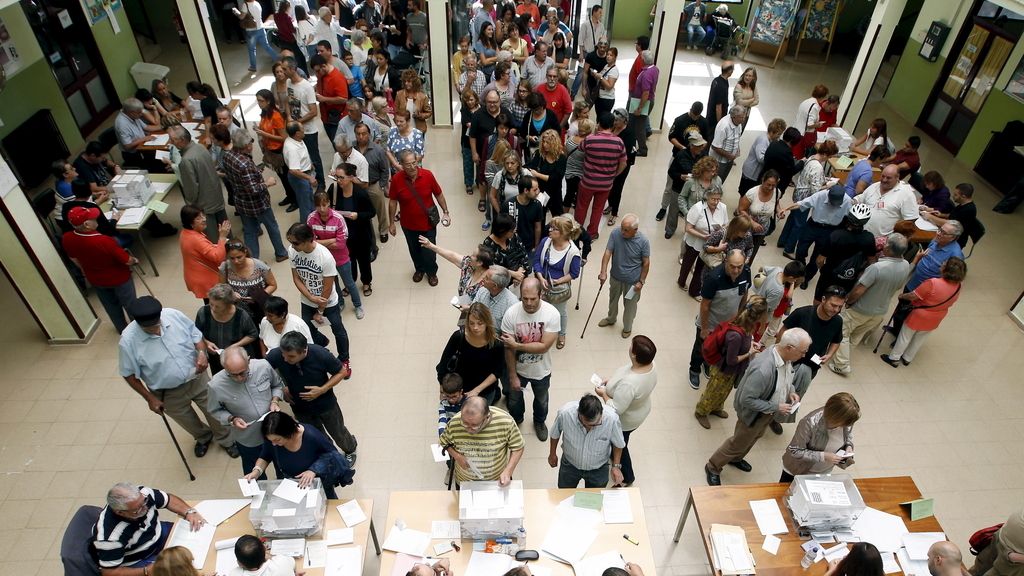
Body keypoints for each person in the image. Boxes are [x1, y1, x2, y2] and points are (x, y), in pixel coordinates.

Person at [119, 296, 233, 457]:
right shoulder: (128, 341)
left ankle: (226, 440)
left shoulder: (173, 315)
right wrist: (150, 398)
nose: (155, 329)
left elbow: (196, 336)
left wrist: (201, 352)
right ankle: (203, 437)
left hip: (197, 378)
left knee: (214, 410)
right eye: (149, 328)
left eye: (156, 324)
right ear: (137, 322)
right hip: (167, 392)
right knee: (186, 420)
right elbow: (129, 374)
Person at [704, 328, 811, 486]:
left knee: (755, 436)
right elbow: (747, 399)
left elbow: (786, 378)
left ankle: (736, 458)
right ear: (790, 348)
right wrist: (776, 406)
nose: (804, 355)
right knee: (738, 442)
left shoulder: (785, 357)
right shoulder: (763, 369)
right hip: (753, 414)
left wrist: (792, 392)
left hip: (766, 412)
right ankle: (713, 466)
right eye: (802, 351)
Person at [265, 332, 357, 463]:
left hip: (326, 404)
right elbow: (265, 370)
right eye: (283, 354)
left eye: (291, 356)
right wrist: (282, 387)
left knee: (338, 431)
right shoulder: (276, 355)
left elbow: (342, 372)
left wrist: (323, 389)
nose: (285, 359)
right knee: (317, 435)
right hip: (300, 407)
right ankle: (332, 455)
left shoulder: (320, 354)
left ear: (304, 351)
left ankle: (350, 449)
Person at [829, 233, 910, 376]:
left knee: (842, 333)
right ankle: (843, 356)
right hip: (879, 312)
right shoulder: (905, 265)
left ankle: (841, 365)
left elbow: (859, 290)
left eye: (886, 244)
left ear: (889, 249)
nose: (883, 245)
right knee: (856, 335)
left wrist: (848, 301)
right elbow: (898, 287)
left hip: (860, 309)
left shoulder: (877, 268)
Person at [94, 483, 207, 576]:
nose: (146, 508)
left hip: (158, 533)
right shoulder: (109, 538)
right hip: (139, 559)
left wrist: (188, 511)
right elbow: (109, 572)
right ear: (120, 512)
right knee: (181, 571)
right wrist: (146, 571)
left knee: (202, 539)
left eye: (144, 502)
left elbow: (168, 500)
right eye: (137, 510)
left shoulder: (144, 495)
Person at [694, 295, 769, 429]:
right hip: (723, 370)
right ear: (758, 316)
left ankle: (716, 407)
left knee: (724, 391)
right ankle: (701, 412)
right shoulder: (736, 336)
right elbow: (731, 360)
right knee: (713, 392)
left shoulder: (745, 325)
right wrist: (749, 353)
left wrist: (751, 343)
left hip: (731, 371)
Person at [207, 347, 284, 477]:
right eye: (233, 374)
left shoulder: (263, 366)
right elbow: (214, 410)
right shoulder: (215, 385)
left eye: (243, 373)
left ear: (248, 360)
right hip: (248, 438)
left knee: (283, 467)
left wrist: (275, 401)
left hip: (275, 431)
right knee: (254, 475)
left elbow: (277, 385)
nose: (239, 378)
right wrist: (232, 419)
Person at [592, 335, 657, 486]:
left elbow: (616, 409)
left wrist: (604, 394)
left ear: (634, 354)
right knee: (620, 442)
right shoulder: (651, 364)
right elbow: (626, 377)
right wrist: (612, 384)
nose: (629, 346)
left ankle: (627, 475)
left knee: (620, 444)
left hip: (626, 421)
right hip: (640, 409)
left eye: (631, 345)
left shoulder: (630, 384)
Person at [62, 206, 138, 333]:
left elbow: (73, 257)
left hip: (96, 279)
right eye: (93, 218)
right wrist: (134, 260)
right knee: (130, 304)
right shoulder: (104, 240)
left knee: (111, 306)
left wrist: (84, 269)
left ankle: (123, 330)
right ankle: (137, 329)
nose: (96, 218)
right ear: (87, 224)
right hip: (119, 278)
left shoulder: (67, 238)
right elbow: (126, 260)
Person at [286, 223, 351, 370]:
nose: (292, 246)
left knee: (338, 330)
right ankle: (321, 345)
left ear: (308, 240)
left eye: (295, 242)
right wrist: (310, 297)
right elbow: (296, 278)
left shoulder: (325, 257)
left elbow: (327, 287)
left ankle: (344, 359)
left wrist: (320, 311)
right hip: (307, 300)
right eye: (291, 242)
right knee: (308, 330)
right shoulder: (293, 251)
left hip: (328, 303)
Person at [501, 277, 560, 439]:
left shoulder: (552, 314)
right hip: (518, 370)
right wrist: (512, 376)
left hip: (542, 370)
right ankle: (517, 418)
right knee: (514, 399)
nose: (528, 303)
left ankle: (539, 421)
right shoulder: (511, 314)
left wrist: (517, 345)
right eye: (524, 298)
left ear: (540, 294)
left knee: (542, 401)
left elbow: (544, 346)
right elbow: (508, 348)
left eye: (533, 299)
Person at [243, 411, 350, 498]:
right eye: (271, 440)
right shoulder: (272, 438)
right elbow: (265, 455)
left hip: (316, 483)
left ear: (288, 432)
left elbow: (332, 456)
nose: (274, 444)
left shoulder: (311, 435)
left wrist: (313, 470)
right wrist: (257, 471)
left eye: (277, 440)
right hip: (289, 484)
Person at [882, 257, 966, 367]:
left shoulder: (933, 283)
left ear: (946, 270)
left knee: (905, 336)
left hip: (920, 314)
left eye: (943, 264)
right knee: (920, 338)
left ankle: (894, 358)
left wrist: (902, 296)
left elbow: (913, 296)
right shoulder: (958, 286)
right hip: (938, 316)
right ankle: (907, 358)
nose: (941, 264)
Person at [222, 130, 289, 262]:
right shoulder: (245, 164)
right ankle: (281, 253)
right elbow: (253, 189)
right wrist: (267, 183)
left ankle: (252, 260)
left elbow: (237, 178)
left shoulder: (227, 156)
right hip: (258, 204)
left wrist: (255, 171)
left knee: (249, 231)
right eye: (251, 141)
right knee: (272, 227)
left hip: (241, 202)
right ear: (247, 145)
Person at [388, 149, 452, 286]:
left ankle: (431, 272)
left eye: (414, 163)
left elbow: (439, 194)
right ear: (401, 164)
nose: (412, 167)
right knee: (414, 250)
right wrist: (391, 223)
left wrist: (445, 211)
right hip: (408, 225)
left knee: (429, 252)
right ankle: (419, 269)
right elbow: (392, 201)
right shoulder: (397, 180)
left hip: (427, 224)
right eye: (408, 164)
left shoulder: (428, 175)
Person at [689, 249, 750, 390]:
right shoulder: (714, 278)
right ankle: (694, 369)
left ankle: (707, 363)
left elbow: (745, 293)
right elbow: (704, 306)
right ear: (726, 262)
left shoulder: (746, 271)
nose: (736, 270)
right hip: (710, 324)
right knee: (701, 347)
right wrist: (704, 328)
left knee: (718, 348)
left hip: (729, 324)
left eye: (739, 266)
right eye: (732, 266)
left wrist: (740, 316)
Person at [439, 396, 524, 486]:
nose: (469, 429)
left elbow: (518, 447)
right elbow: (444, 442)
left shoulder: (505, 422)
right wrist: (457, 456)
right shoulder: (454, 423)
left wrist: (508, 471)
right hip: (465, 481)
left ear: (487, 417)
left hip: (496, 481)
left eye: (474, 425)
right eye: (465, 423)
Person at [549, 393, 625, 488]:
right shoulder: (565, 414)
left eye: (597, 424)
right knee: (564, 493)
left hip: (598, 468)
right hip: (570, 465)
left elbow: (618, 443)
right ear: (579, 415)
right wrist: (552, 454)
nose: (592, 428)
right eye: (588, 425)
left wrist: (616, 466)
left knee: (594, 498)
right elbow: (555, 434)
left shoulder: (612, 419)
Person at [308, 191, 364, 320]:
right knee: (334, 283)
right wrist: (331, 240)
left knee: (349, 283)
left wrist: (320, 242)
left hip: (341, 258)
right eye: (318, 206)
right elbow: (310, 242)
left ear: (328, 203)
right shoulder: (311, 219)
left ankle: (358, 305)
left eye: (324, 205)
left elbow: (340, 243)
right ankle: (340, 303)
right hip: (323, 260)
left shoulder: (338, 218)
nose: (321, 209)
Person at [780, 392, 859, 482]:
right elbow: (795, 450)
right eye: (844, 423)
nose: (846, 426)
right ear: (835, 417)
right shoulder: (809, 423)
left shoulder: (847, 422)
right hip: (798, 470)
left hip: (823, 471)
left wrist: (848, 446)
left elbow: (848, 435)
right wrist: (823, 456)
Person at [436, 303, 505, 405]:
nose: (475, 327)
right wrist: (442, 388)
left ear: (487, 322)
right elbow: (443, 364)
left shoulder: (496, 343)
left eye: (480, 323)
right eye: (471, 323)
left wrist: (476, 390)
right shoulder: (458, 337)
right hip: (459, 390)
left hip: (485, 391)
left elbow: (497, 371)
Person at [777, 140, 836, 258]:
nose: (828, 159)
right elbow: (816, 191)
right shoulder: (818, 167)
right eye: (829, 156)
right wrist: (828, 185)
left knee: (792, 219)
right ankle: (788, 249)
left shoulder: (811, 158)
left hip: (798, 191)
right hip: (805, 197)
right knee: (799, 224)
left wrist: (823, 180)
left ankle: (782, 241)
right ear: (825, 154)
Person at [168, 126, 227, 242]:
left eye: (173, 140)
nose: (170, 142)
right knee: (224, 229)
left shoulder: (186, 161)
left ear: (182, 140)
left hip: (204, 204)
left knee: (213, 238)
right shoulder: (201, 147)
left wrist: (191, 207)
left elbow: (191, 190)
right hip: (216, 195)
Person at [783, 181, 852, 279]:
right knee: (800, 250)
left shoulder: (848, 201)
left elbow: (851, 217)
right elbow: (801, 204)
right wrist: (785, 209)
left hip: (829, 231)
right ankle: (800, 270)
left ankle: (806, 278)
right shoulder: (820, 195)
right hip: (813, 226)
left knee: (817, 257)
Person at [597, 215, 650, 339]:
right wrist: (603, 272)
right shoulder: (615, 234)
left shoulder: (643, 241)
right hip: (615, 277)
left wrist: (641, 282)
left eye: (626, 230)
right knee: (613, 299)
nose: (622, 232)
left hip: (632, 282)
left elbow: (646, 263)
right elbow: (607, 252)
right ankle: (611, 318)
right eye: (622, 228)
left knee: (630, 305)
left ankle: (627, 327)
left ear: (635, 230)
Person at [534, 215, 582, 349]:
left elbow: (574, 273)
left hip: (559, 288)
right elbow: (537, 261)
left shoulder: (573, 252)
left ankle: (562, 334)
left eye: (553, 228)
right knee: (541, 308)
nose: (549, 230)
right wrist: (541, 278)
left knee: (560, 312)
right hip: (542, 283)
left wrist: (558, 281)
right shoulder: (545, 242)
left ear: (562, 233)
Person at [576, 113, 626, 239]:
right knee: (598, 209)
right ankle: (592, 232)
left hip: (587, 181)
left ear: (598, 124)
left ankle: (577, 231)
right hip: (605, 184)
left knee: (581, 206)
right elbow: (623, 163)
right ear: (613, 125)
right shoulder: (619, 142)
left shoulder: (590, 139)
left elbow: (580, 149)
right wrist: (614, 175)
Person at [813, 204, 877, 302]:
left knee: (819, 301)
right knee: (838, 303)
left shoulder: (836, 235)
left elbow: (820, 260)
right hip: (849, 278)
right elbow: (872, 262)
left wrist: (823, 269)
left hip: (829, 275)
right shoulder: (869, 238)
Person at [195, 283, 260, 374]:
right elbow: (196, 333)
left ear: (228, 305)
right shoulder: (203, 312)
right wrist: (206, 343)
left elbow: (253, 334)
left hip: (238, 359)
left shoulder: (241, 315)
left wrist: (234, 346)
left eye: (217, 306)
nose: (213, 308)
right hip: (216, 359)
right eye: (211, 304)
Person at [333, 162, 377, 296]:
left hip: (361, 234)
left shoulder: (360, 193)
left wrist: (358, 215)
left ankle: (366, 282)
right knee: (348, 261)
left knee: (363, 260)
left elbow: (371, 212)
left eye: (342, 177)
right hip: (344, 235)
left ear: (351, 177)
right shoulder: (334, 190)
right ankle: (350, 282)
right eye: (337, 177)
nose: (339, 181)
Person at [678, 186, 728, 299]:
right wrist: (703, 236)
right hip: (694, 241)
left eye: (718, 199)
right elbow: (688, 228)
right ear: (707, 197)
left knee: (701, 268)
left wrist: (718, 233)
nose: (716, 202)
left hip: (709, 245)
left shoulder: (723, 208)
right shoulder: (698, 208)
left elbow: (725, 225)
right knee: (687, 264)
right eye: (713, 199)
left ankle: (694, 291)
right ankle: (681, 281)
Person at [286, 58, 326, 192]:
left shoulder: (306, 87)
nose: (283, 72)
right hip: (295, 128)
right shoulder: (288, 83)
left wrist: (297, 122)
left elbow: (313, 112)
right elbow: (288, 101)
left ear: (292, 69)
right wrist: (288, 116)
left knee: (314, 158)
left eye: (285, 69)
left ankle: (321, 184)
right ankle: (307, 181)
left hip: (308, 130)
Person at [661, 133, 710, 236]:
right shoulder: (681, 155)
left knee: (693, 211)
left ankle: (690, 231)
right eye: (698, 146)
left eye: (702, 145)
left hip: (695, 189)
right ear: (692, 146)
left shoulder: (704, 155)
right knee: (673, 210)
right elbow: (671, 172)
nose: (701, 148)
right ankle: (670, 229)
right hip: (678, 187)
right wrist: (681, 176)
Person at [352, 120, 390, 250]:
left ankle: (383, 230)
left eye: (364, 134)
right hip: (356, 184)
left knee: (380, 209)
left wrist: (382, 185)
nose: (361, 137)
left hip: (374, 184)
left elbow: (385, 170)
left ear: (369, 134)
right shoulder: (351, 149)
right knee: (360, 210)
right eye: (358, 134)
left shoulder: (378, 150)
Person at [179, 205, 230, 301]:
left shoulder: (185, 233)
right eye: (199, 218)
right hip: (206, 280)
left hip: (196, 275)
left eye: (203, 216)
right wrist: (222, 237)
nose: (204, 219)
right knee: (216, 305)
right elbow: (217, 257)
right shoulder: (196, 239)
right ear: (191, 223)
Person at [853, 165, 919, 238]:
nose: (884, 180)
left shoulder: (906, 194)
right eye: (883, 176)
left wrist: (896, 238)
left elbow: (911, 220)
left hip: (883, 240)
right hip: (862, 234)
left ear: (897, 177)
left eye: (888, 178)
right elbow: (860, 199)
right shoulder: (874, 186)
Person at [421, 239, 494, 301]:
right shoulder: (469, 264)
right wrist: (430, 245)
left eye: (473, 255)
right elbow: (452, 256)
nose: (470, 256)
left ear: (479, 263)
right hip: (464, 301)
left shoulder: (487, 284)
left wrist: (468, 309)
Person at [753, 261, 805, 346]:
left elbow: (763, 269)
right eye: (795, 279)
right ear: (791, 277)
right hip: (761, 316)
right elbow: (766, 310)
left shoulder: (777, 269)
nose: (795, 281)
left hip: (755, 303)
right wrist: (762, 327)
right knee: (755, 338)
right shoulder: (778, 291)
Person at [906, 221, 964, 291]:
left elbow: (950, 280)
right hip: (914, 281)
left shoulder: (956, 256)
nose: (938, 233)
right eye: (940, 229)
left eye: (944, 233)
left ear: (953, 237)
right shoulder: (937, 240)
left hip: (927, 290)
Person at [738, 170, 780, 265]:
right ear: (762, 181)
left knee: (752, 254)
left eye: (773, 185)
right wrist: (752, 222)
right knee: (741, 252)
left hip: (762, 230)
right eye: (768, 184)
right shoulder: (752, 193)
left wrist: (778, 211)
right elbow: (741, 210)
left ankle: (746, 270)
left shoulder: (777, 192)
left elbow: (776, 203)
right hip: (747, 228)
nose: (770, 188)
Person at [738, 118, 784, 200]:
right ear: (772, 132)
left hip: (756, 173)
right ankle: (740, 210)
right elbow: (761, 158)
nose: (779, 137)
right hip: (751, 172)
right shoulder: (763, 140)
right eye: (778, 134)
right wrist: (774, 160)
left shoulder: (770, 140)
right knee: (745, 193)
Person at [114, 98, 162, 171]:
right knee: (154, 167)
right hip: (133, 155)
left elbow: (146, 127)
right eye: (139, 112)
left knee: (160, 157)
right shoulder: (121, 125)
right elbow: (127, 146)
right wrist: (144, 139)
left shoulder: (133, 115)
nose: (141, 114)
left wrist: (163, 126)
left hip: (143, 147)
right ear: (132, 112)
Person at [528, 129, 568, 216]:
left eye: (548, 142)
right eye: (543, 142)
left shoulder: (561, 158)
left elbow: (556, 178)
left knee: (558, 218)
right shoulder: (540, 154)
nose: (544, 145)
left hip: (555, 193)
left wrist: (537, 174)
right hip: (541, 192)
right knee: (540, 217)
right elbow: (532, 166)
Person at [628, 50, 658, 158]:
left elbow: (646, 92)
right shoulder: (655, 69)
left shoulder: (646, 74)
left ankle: (642, 149)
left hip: (642, 102)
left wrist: (640, 108)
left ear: (644, 60)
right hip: (645, 101)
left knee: (639, 126)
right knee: (633, 123)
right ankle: (631, 144)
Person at [236, 0, 280, 72]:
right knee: (266, 46)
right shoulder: (257, 3)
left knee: (252, 50)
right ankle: (278, 60)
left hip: (251, 30)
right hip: (261, 28)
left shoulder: (245, 5)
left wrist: (236, 12)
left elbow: (241, 17)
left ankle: (253, 66)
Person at [473, 265, 520, 330]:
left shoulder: (512, 304)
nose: (483, 278)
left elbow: (510, 332)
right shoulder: (482, 290)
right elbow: (473, 311)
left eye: (486, 278)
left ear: (494, 286)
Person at [229, 535, 295, 576]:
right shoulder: (281, 562)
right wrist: (270, 557)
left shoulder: (235, 574)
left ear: (239, 563)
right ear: (265, 548)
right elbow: (292, 562)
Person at [794, 84, 829, 158]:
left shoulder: (806, 101)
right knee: (800, 156)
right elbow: (809, 124)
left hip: (796, 130)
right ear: (822, 96)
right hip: (803, 135)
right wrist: (818, 125)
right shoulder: (814, 106)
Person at [707, 60, 733, 127]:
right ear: (730, 71)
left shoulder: (717, 80)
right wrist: (719, 124)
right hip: (714, 120)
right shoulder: (721, 86)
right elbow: (718, 107)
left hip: (710, 115)